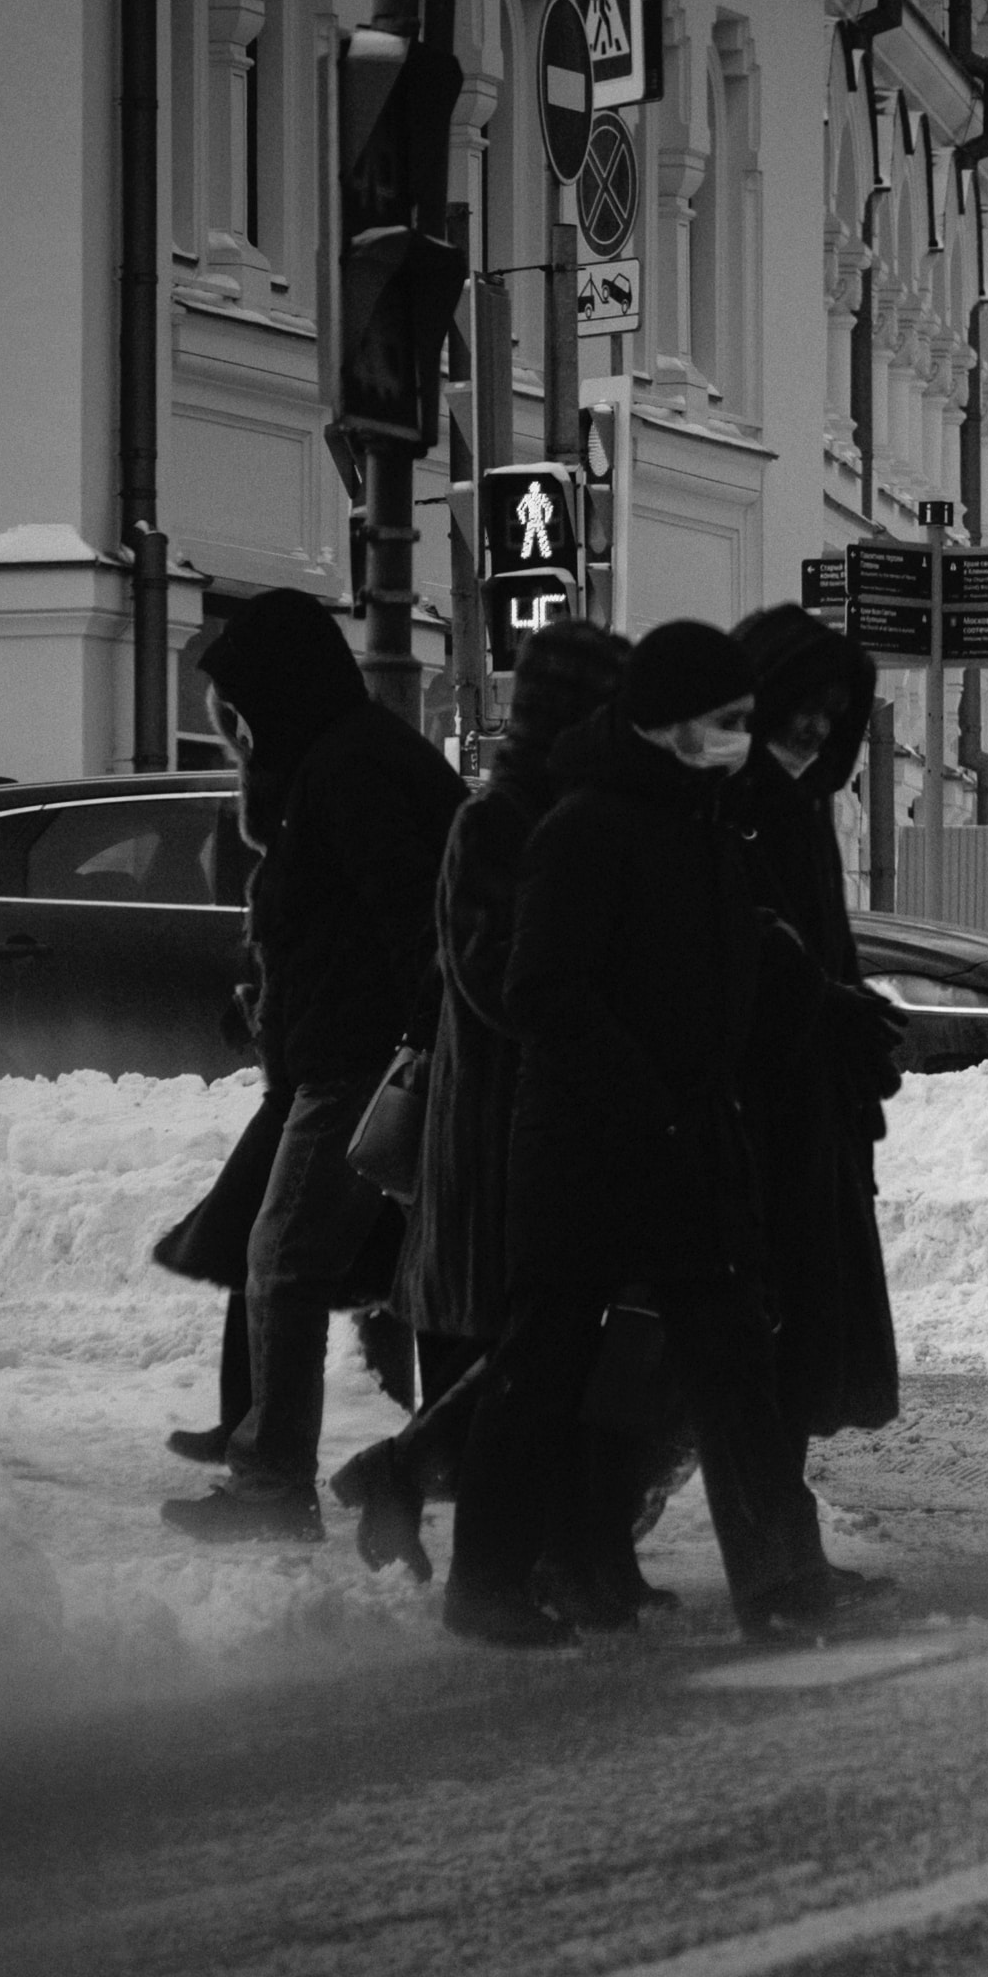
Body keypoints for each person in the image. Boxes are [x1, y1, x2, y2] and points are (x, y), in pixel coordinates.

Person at [443, 621, 830, 1648]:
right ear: (664, 723)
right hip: (586, 1143)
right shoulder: (586, 827)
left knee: (732, 1360)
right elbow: (542, 990)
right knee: (547, 1362)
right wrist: (649, 1094)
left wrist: (792, 998)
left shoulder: (699, 824)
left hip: (685, 1136)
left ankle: (781, 1582)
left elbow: (720, 972)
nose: (744, 739)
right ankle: (486, 1581)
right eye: (728, 721)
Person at [329, 620, 631, 1582]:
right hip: (498, 1119)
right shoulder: (495, 821)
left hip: (557, 1111)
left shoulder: (587, 810)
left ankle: (557, 1547)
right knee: (520, 1343)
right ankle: (462, 1520)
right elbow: (492, 975)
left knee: (564, 1343)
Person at [164, 589, 461, 1544]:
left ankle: (272, 1485)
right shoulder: (339, 760)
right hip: (340, 1054)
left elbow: (414, 919)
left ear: (282, 689)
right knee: (313, 1253)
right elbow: (323, 920)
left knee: (285, 1258)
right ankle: (310, 1454)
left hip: (358, 1064)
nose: (238, 723)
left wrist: (413, 1042)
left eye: (245, 699)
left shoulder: (351, 771)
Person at [725, 603, 906, 1607]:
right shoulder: (742, 804)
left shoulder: (796, 805)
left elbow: (810, 952)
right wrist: (827, 1011)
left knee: (780, 1344)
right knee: (743, 1348)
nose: (814, 729)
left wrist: (842, 1023)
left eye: (832, 713)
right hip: (760, 1115)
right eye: (801, 706)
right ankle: (771, 1562)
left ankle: (782, 1551)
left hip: (806, 1108)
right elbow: (754, 958)